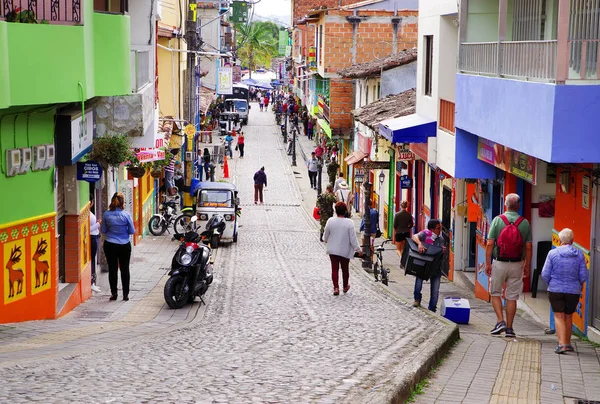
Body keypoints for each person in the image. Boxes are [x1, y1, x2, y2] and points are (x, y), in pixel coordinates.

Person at [486, 193, 532, 338]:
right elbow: (529, 247)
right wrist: (527, 265)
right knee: (512, 297)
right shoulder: (524, 223)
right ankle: (510, 329)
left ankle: (500, 321)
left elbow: (489, 243)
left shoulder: (498, 220)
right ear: (518, 205)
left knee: (495, 293)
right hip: (517, 263)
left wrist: (488, 263)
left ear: (506, 204)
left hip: (499, 262)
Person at [541, 228, 588, 354]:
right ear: (572, 240)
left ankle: (561, 345)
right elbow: (583, 275)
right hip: (573, 290)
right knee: (568, 315)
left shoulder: (552, 253)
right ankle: (567, 343)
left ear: (560, 240)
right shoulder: (579, 255)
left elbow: (545, 273)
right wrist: (577, 285)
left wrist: (552, 283)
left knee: (558, 315)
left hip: (556, 289)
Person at [102, 192, 136, 301]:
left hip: (110, 244)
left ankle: (114, 293)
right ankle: (125, 295)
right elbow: (132, 231)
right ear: (122, 202)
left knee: (112, 269)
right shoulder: (126, 215)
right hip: (124, 245)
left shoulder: (106, 214)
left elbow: (103, 230)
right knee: (125, 269)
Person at [324, 202, 362, 296]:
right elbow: (353, 239)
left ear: (335, 211)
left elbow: (326, 235)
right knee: (345, 269)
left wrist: (326, 240)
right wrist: (358, 249)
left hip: (333, 249)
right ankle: (345, 286)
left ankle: (336, 288)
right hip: (345, 250)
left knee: (334, 269)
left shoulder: (330, 221)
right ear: (345, 211)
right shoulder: (349, 222)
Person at [411, 219, 447, 312]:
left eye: (440, 228)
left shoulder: (441, 239)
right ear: (432, 229)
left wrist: (442, 251)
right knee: (419, 281)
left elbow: (440, 251)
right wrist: (420, 244)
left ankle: (432, 308)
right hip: (424, 265)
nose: (440, 230)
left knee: (435, 290)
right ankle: (417, 299)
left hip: (436, 266)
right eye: (438, 228)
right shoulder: (425, 234)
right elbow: (414, 236)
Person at [394, 201, 414, 265]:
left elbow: (395, 225)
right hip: (406, 233)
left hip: (399, 232)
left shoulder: (397, 214)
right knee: (404, 248)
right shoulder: (409, 215)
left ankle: (401, 258)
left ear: (400, 206)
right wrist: (408, 227)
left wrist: (397, 229)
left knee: (398, 249)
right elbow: (411, 224)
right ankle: (404, 260)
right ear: (406, 206)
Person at [89, 198, 101, 293]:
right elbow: (88, 229)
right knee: (92, 260)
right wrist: (98, 224)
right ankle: (91, 282)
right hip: (92, 237)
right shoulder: (87, 214)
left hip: (94, 236)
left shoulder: (89, 213)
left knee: (93, 259)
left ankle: (92, 282)